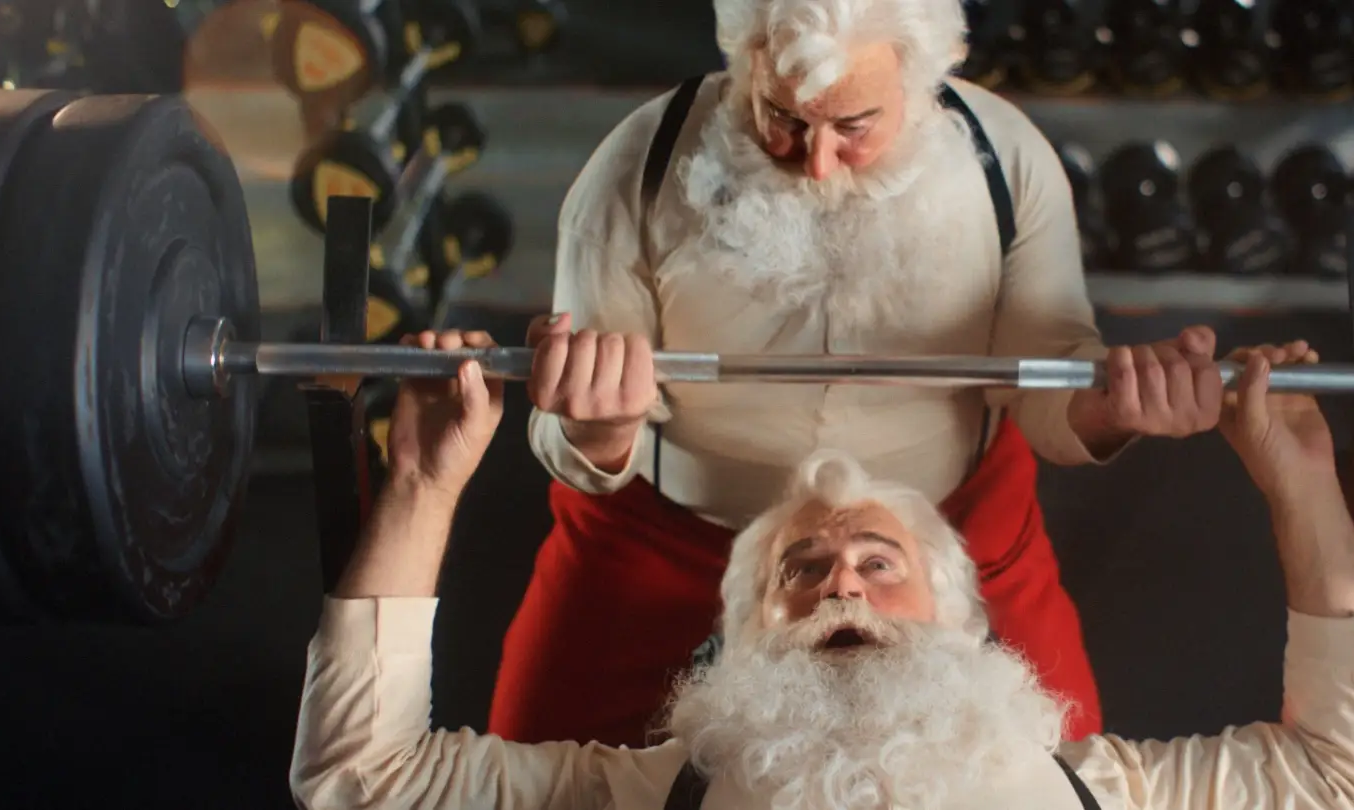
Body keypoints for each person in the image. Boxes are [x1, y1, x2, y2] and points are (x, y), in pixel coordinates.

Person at [500, 0, 1231, 746]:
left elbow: (1049, 387)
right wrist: (599, 423)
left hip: (945, 536)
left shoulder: (1007, 161)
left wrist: (1117, 407)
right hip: (670, 536)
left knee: (1060, 772)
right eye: (782, 117)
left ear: (922, 79)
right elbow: (575, 441)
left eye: (854, 127)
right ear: (746, 58)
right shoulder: (637, 167)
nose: (816, 163)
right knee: (531, 781)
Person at [290, 329, 1354, 810]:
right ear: (744, 643)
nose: (842, 582)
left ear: (965, 628)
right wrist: (424, 487)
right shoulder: (651, 793)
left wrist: (1301, 479)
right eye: (806, 568)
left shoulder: (1093, 791)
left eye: (881, 562)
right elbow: (360, 783)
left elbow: (1352, 781)